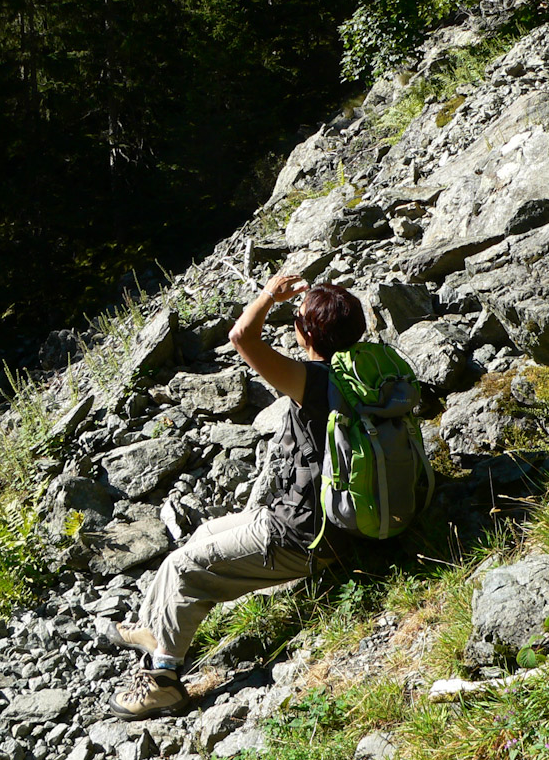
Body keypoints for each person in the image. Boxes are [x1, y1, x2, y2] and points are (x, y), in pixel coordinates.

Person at [105, 274, 366, 721]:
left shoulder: (313, 379)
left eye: (298, 318)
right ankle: (154, 628)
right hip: (324, 518)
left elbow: (241, 338)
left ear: (308, 334)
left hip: (303, 535)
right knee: (203, 534)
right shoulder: (361, 372)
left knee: (182, 567)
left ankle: (164, 681)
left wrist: (268, 296)